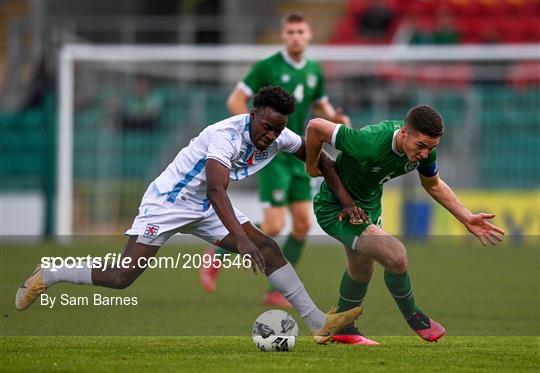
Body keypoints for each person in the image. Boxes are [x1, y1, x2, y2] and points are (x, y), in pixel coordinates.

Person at [15, 86, 363, 344]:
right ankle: (51, 273)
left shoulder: (278, 136)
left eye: (276, 130)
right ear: (254, 113)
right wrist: (240, 239)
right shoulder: (223, 136)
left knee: (269, 247)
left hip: (207, 207)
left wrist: (346, 200)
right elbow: (216, 189)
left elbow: (322, 161)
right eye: (266, 127)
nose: (269, 136)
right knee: (123, 277)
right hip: (169, 202)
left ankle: (318, 322)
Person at [305, 105, 505, 345]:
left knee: (361, 270)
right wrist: (311, 166)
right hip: (335, 209)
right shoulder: (368, 143)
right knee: (396, 256)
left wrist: (466, 217)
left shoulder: (425, 150)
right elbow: (315, 127)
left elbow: (432, 184)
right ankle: (414, 317)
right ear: (403, 133)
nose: (424, 154)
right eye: (420, 146)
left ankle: (344, 328)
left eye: (431, 148)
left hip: (367, 208)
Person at [200, 13, 351, 308]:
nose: (295, 36)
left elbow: (320, 104)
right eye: (290, 31)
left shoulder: (313, 71)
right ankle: (217, 253)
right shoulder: (267, 66)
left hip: (299, 152)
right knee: (274, 223)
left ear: (308, 36)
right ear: (284, 35)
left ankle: (275, 290)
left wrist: (335, 119)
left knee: (303, 224)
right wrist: (245, 135)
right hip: (273, 155)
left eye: (300, 31)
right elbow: (235, 100)